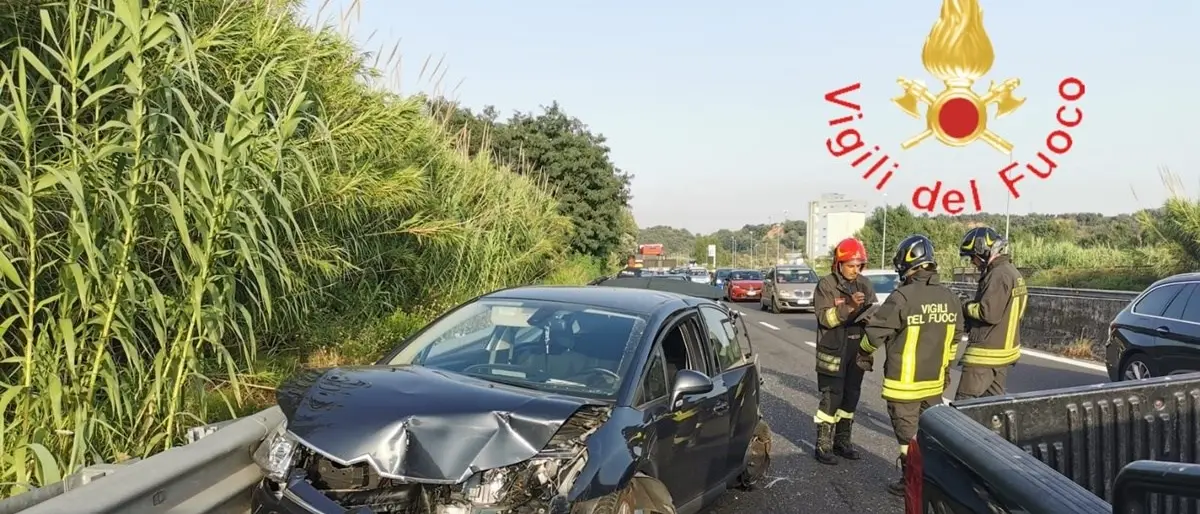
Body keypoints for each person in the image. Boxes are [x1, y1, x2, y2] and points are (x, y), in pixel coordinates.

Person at [858, 234, 964, 495]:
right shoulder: (950, 297)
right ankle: (935, 480)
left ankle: (911, 483)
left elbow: (874, 335)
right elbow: (955, 338)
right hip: (934, 384)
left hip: (903, 386)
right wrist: (946, 368)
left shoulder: (902, 297)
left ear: (907, 265)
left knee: (908, 440)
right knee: (932, 436)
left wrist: (863, 353)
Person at [811, 237, 877, 465]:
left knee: (851, 397)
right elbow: (824, 318)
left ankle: (842, 441)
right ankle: (823, 445)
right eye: (850, 265)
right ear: (838, 264)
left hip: (857, 349)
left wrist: (870, 316)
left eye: (859, 266)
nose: (855, 270)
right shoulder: (826, 285)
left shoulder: (865, 285)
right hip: (834, 349)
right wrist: (848, 306)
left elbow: (874, 314)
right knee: (832, 397)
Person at [955, 226, 1027, 400]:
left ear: (983, 251)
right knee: (992, 411)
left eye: (973, 257)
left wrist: (964, 305)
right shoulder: (1013, 273)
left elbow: (988, 313)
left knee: (963, 410)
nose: (972, 262)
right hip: (1003, 355)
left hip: (984, 356)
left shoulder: (998, 275)